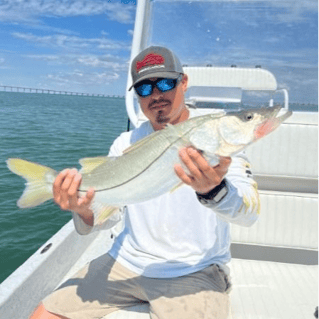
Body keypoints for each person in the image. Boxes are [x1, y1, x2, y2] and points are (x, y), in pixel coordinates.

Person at [30, 46, 260, 319]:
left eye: (165, 83)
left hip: (193, 270)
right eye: (144, 88)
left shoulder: (218, 142)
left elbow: (250, 214)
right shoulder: (124, 143)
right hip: (125, 262)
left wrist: (215, 191)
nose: (156, 95)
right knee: (44, 315)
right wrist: (81, 209)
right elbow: (109, 216)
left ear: (183, 82)